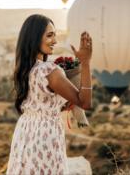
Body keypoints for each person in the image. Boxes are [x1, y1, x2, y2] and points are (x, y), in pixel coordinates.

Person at [6, 14, 92, 175]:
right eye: (49, 35)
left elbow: (42, 102)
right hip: (45, 136)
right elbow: (85, 102)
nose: (55, 41)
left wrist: (61, 103)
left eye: (55, 35)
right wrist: (86, 63)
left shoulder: (25, 69)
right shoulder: (50, 71)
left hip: (25, 131)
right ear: (34, 38)